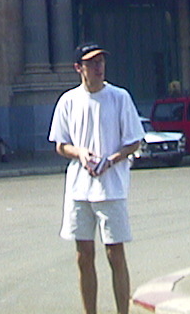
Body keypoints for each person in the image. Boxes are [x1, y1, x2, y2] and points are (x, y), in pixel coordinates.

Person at [48, 43, 144, 314]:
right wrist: (79, 153)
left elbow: (134, 141)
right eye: (91, 63)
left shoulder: (119, 97)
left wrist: (111, 160)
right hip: (80, 189)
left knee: (115, 254)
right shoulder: (68, 101)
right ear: (79, 68)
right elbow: (60, 144)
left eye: (101, 62)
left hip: (111, 188)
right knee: (83, 255)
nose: (98, 67)